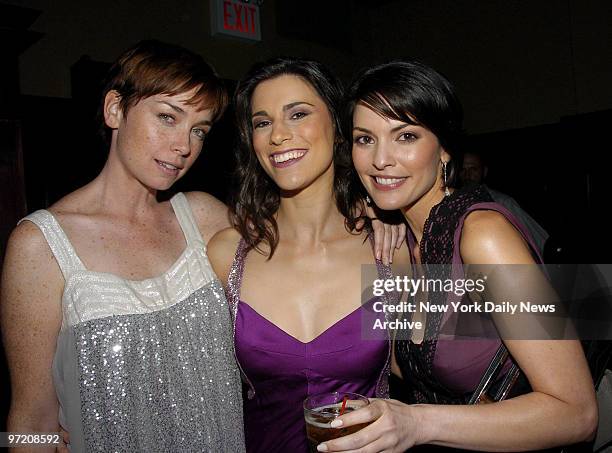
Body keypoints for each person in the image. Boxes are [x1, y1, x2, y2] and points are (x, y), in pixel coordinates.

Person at [318, 60, 598, 452]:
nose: (381, 159)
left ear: (445, 149)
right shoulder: (401, 242)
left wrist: (416, 422)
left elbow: (577, 414)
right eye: (366, 139)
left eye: (406, 136)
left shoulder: (482, 236)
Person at [1, 40, 246, 452]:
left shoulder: (205, 217)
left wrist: (381, 221)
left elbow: (304, 259)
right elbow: (28, 417)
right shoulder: (40, 246)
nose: (184, 146)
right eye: (168, 118)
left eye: (199, 130)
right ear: (115, 109)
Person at [206, 57, 410, 452]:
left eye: (297, 114)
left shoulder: (388, 250)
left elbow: (448, 365)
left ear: (338, 126)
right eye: (262, 122)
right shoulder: (228, 253)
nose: (278, 136)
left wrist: (430, 211)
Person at [461, 150, 549, 256]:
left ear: (484, 172)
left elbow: (539, 239)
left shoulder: (502, 202)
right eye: (463, 169)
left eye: (473, 169)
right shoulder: (451, 205)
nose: (467, 175)